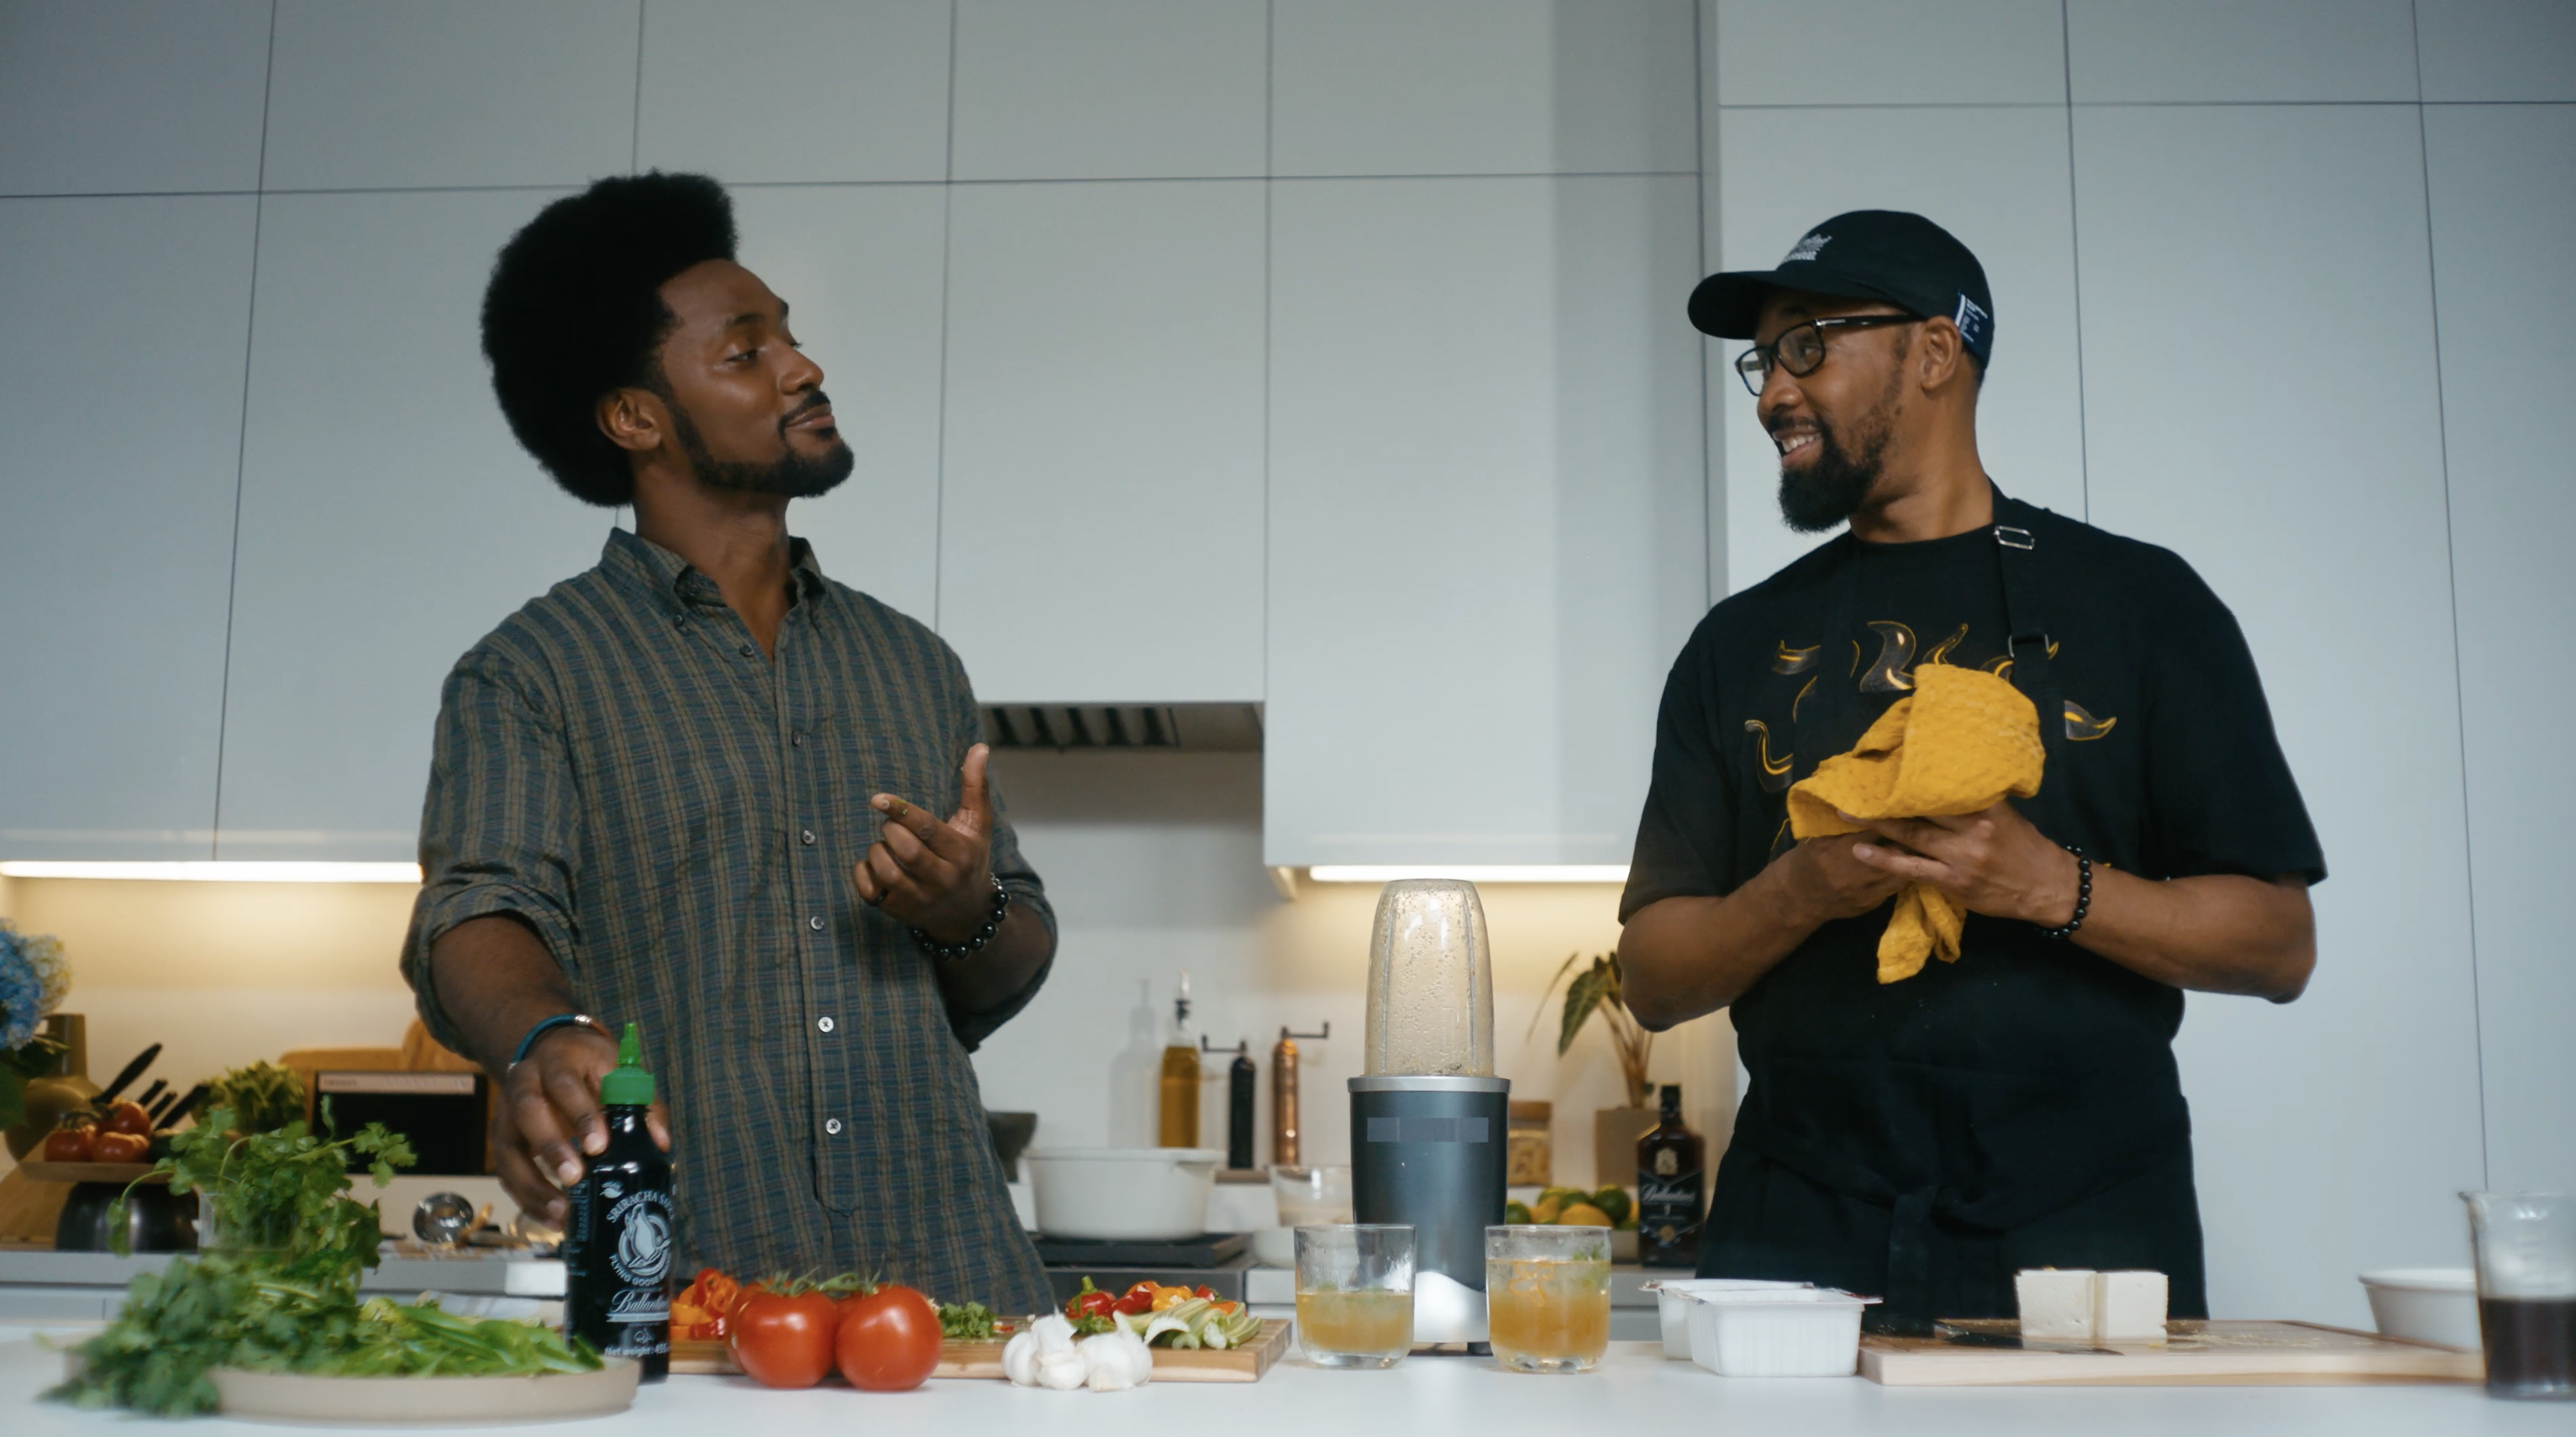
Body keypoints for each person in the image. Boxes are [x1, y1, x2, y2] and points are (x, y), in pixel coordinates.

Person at [1617, 210, 2324, 1330]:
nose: (1768, 394)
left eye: (1809, 345)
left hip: (2085, 1227)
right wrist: (1807, 883)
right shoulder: (1737, 644)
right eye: (1763, 359)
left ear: (1935, 352)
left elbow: (2276, 942)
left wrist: (2045, 884)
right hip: (1793, 1220)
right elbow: (1653, 974)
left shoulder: (2144, 607)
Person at [399, 172, 1055, 1313]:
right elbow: (477, 910)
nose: (802, 366)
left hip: (959, 1301)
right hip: (699, 1307)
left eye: (788, 337)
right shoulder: (529, 672)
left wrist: (966, 910)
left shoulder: (914, 665)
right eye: (746, 351)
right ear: (636, 417)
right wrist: (549, 1036)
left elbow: (1017, 945)